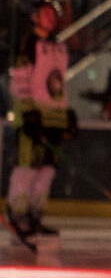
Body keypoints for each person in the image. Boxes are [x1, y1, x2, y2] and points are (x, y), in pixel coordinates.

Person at [8, 63, 75, 240]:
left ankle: (34, 218)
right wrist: (28, 113)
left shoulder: (56, 51)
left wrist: (65, 114)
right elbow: (19, 82)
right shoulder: (30, 47)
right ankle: (18, 216)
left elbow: (59, 86)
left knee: (46, 172)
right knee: (27, 169)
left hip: (53, 121)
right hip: (31, 122)